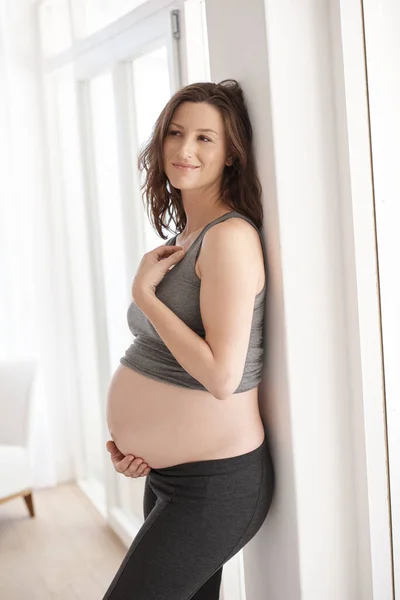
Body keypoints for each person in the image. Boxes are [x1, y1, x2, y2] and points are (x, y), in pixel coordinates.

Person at [103, 79, 275, 599]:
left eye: (205, 138)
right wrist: (140, 445)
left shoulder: (231, 238)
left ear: (231, 155)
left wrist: (145, 295)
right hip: (168, 476)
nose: (184, 150)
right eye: (175, 133)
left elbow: (222, 376)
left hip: (215, 484)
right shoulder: (186, 238)